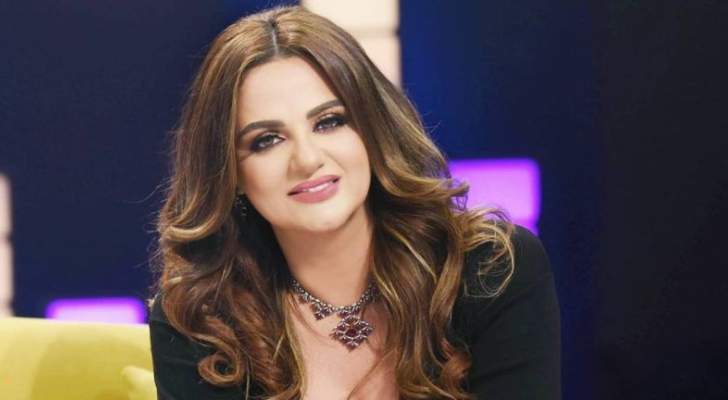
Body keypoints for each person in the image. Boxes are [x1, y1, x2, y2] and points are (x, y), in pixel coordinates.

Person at [148, 5, 560, 400]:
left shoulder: (489, 271)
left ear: (371, 129)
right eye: (267, 140)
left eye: (329, 122)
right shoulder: (200, 319)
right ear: (232, 174)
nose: (307, 159)